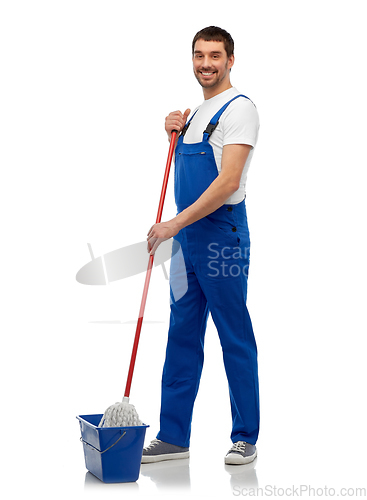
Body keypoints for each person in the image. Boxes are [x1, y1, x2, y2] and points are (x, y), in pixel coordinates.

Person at [143, 26, 260, 465]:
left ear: (231, 60)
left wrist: (173, 223)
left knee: (234, 335)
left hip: (220, 239)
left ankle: (245, 436)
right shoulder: (193, 114)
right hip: (186, 241)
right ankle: (173, 436)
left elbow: (228, 181)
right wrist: (172, 133)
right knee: (182, 335)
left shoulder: (240, 109)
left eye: (215, 55)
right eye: (198, 55)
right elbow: (192, 164)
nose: (205, 63)